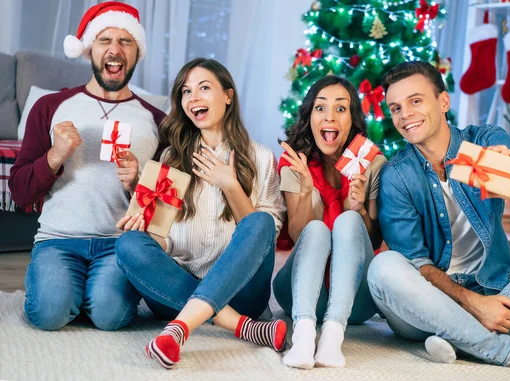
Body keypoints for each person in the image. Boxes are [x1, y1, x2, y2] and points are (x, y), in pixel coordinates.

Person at [368, 61, 510, 377]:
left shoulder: (481, 142)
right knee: (383, 268)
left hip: (495, 292)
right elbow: (420, 265)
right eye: (396, 108)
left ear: (443, 102)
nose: (404, 114)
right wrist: (472, 304)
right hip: (427, 304)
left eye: (415, 101)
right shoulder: (396, 175)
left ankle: (458, 340)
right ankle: (505, 351)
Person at [114, 57, 287, 369]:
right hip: (174, 287)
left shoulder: (260, 157)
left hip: (241, 292)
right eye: (185, 91)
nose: (193, 98)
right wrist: (149, 237)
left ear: (228, 96)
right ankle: (243, 327)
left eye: (204, 88)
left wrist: (230, 185)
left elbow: (265, 237)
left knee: (259, 219)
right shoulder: (170, 157)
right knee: (127, 244)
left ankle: (181, 328)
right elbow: (162, 239)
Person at [9, 2, 164, 331]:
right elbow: (20, 191)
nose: (115, 49)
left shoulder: (156, 119)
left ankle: (85, 294)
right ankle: (63, 288)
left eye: (126, 41)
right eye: (105, 40)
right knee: (49, 314)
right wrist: (55, 155)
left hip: (119, 245)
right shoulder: (51, 106)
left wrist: (137, 182)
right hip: (57, 240)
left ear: (137, 54)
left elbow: (168, 207)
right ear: (89, 49)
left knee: (111, 317)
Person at [272, 75, 386, 369]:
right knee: (317, 228)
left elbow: (372, 242)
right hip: (299, 293)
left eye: (341, 108)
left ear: (353, 118)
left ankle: (333, 336)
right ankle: (304, 334)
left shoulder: (372, 163)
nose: (329, 116)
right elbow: (298, 235)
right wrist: (307, 191)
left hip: (354, 304)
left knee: (348, 219)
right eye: (320, 108)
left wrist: (359, 210)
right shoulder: (292, 162)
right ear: (310, 115)